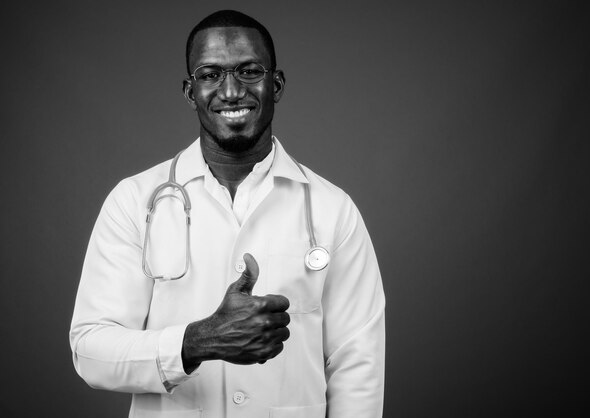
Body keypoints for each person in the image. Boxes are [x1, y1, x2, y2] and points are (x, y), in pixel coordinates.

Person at [70, 9, 385, 418]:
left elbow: (358, 366)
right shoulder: (133, 201)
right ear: (189, 91)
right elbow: (90, 351)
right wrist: (199, 341)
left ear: (277, 84)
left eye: (249, 71)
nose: (232, 91)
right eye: (210, 74)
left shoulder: (332, 209)